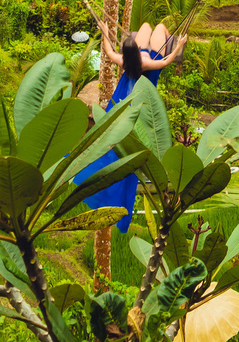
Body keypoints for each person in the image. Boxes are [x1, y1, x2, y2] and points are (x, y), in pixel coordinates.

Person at [76, 23, 185, 229]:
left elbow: (109, 51)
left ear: (127, 54)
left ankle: (164, 37)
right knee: (159, 27)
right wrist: (178, 45)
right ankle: (168, 38)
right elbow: (166, 60)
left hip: (126, 95)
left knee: (144, 26)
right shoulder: (147, 63)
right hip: (150, 66)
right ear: (136, 51)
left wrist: (104, 32)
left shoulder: (123, 61)